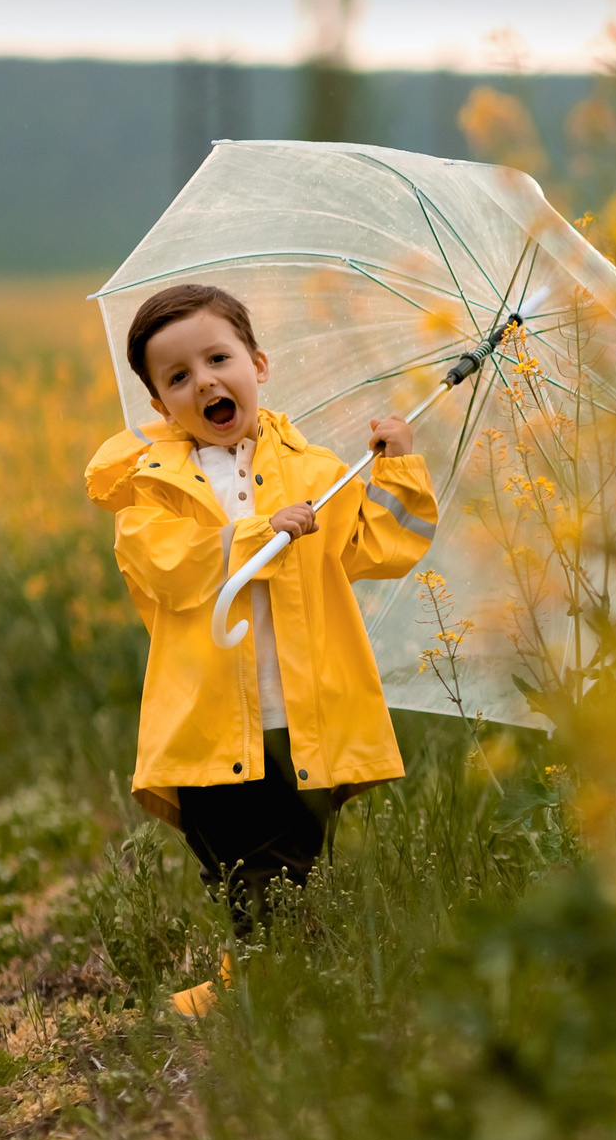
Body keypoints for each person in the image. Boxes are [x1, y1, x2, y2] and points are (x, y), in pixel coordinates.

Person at [83, 282, 438, 1018]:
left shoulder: (314, 475)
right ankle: (271, 977)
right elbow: (169, 567)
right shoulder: (152, 490)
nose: (205, 381)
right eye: (178, 377)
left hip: (302, 708)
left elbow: (384, 544)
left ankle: (267, 985)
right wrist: (259, 533)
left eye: (219, 358)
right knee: (233, 857)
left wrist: (397, 465)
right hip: (209, 715)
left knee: (289, 862)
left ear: (259, 364)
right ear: (160, 407)